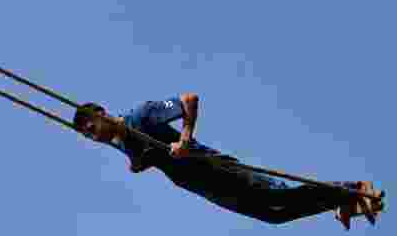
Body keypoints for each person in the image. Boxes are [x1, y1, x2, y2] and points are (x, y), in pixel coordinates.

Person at [73, 94, 384, 228]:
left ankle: (353, 188)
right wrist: (139, 164)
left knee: (279, 194)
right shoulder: (121, 142)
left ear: (101, 113)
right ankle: (340, 200)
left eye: (91, 128)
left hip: (214, 168)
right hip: (203, 187)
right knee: (273, 217)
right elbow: (142, 158)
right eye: (87, 136)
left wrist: (184, 138)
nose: (93, 136)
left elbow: (188, 99)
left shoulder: (140, 115)